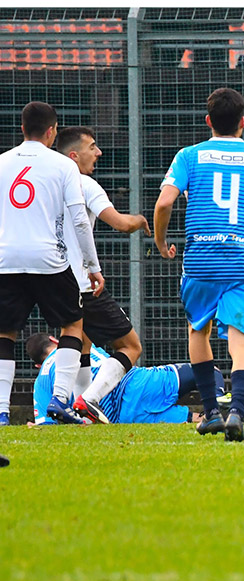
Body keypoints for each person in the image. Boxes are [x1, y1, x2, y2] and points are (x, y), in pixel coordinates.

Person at [153, 87, 244, 441]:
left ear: (208, 122)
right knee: (241, 341)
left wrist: (159, 241)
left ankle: (211, 411)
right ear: (243, 123)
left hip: (201, 260)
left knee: (197, 331)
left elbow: (163, 204)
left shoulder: (189, 156)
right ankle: (238, 413)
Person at [0, 101, 104, 426]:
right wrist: (91, 264)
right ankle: (60, 400)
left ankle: (1, 411)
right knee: (73, 325)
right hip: (49, 259)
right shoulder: (63, 166)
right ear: (51, 131)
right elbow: (79, 218)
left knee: (5, 333)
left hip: (7, 258)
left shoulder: (2, 163)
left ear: (21, 130)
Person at [55, 126, 149, 424]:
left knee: (79, 342)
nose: (98, 153)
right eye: (92, 147)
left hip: (52, 279)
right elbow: (120, 223)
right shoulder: (84, 184)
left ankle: (75, 410)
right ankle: (90, 400)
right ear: (74, 155)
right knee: (131, 346)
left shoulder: (47, 183)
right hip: (82, 282)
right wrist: (141, 220)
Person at [27, 332, 223, 425]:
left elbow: (47, 424)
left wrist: (35, 426)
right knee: (210, 372)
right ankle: (218, 406)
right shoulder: (83, 345)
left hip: (119, 418)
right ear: (55, 339)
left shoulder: (41, 382)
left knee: (189, 421)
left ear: (38, 365)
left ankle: (207, 416)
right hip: (136, 384)